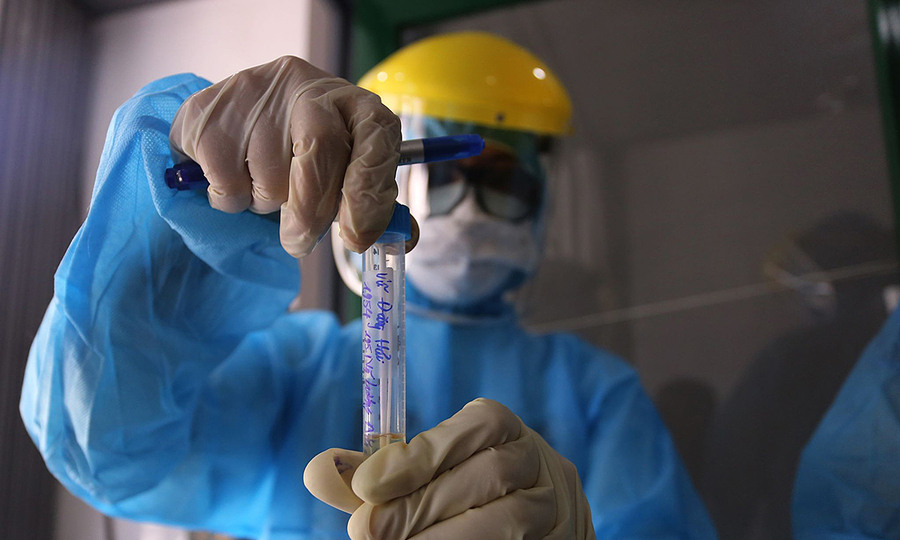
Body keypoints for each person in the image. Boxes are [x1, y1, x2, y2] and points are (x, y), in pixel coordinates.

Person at [20, 32, 716, 539]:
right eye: (443, 179)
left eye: (502, 184)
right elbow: (102, 449)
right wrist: (175, 208)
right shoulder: (299, 372)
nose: (471, 211)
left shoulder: (597, 394)